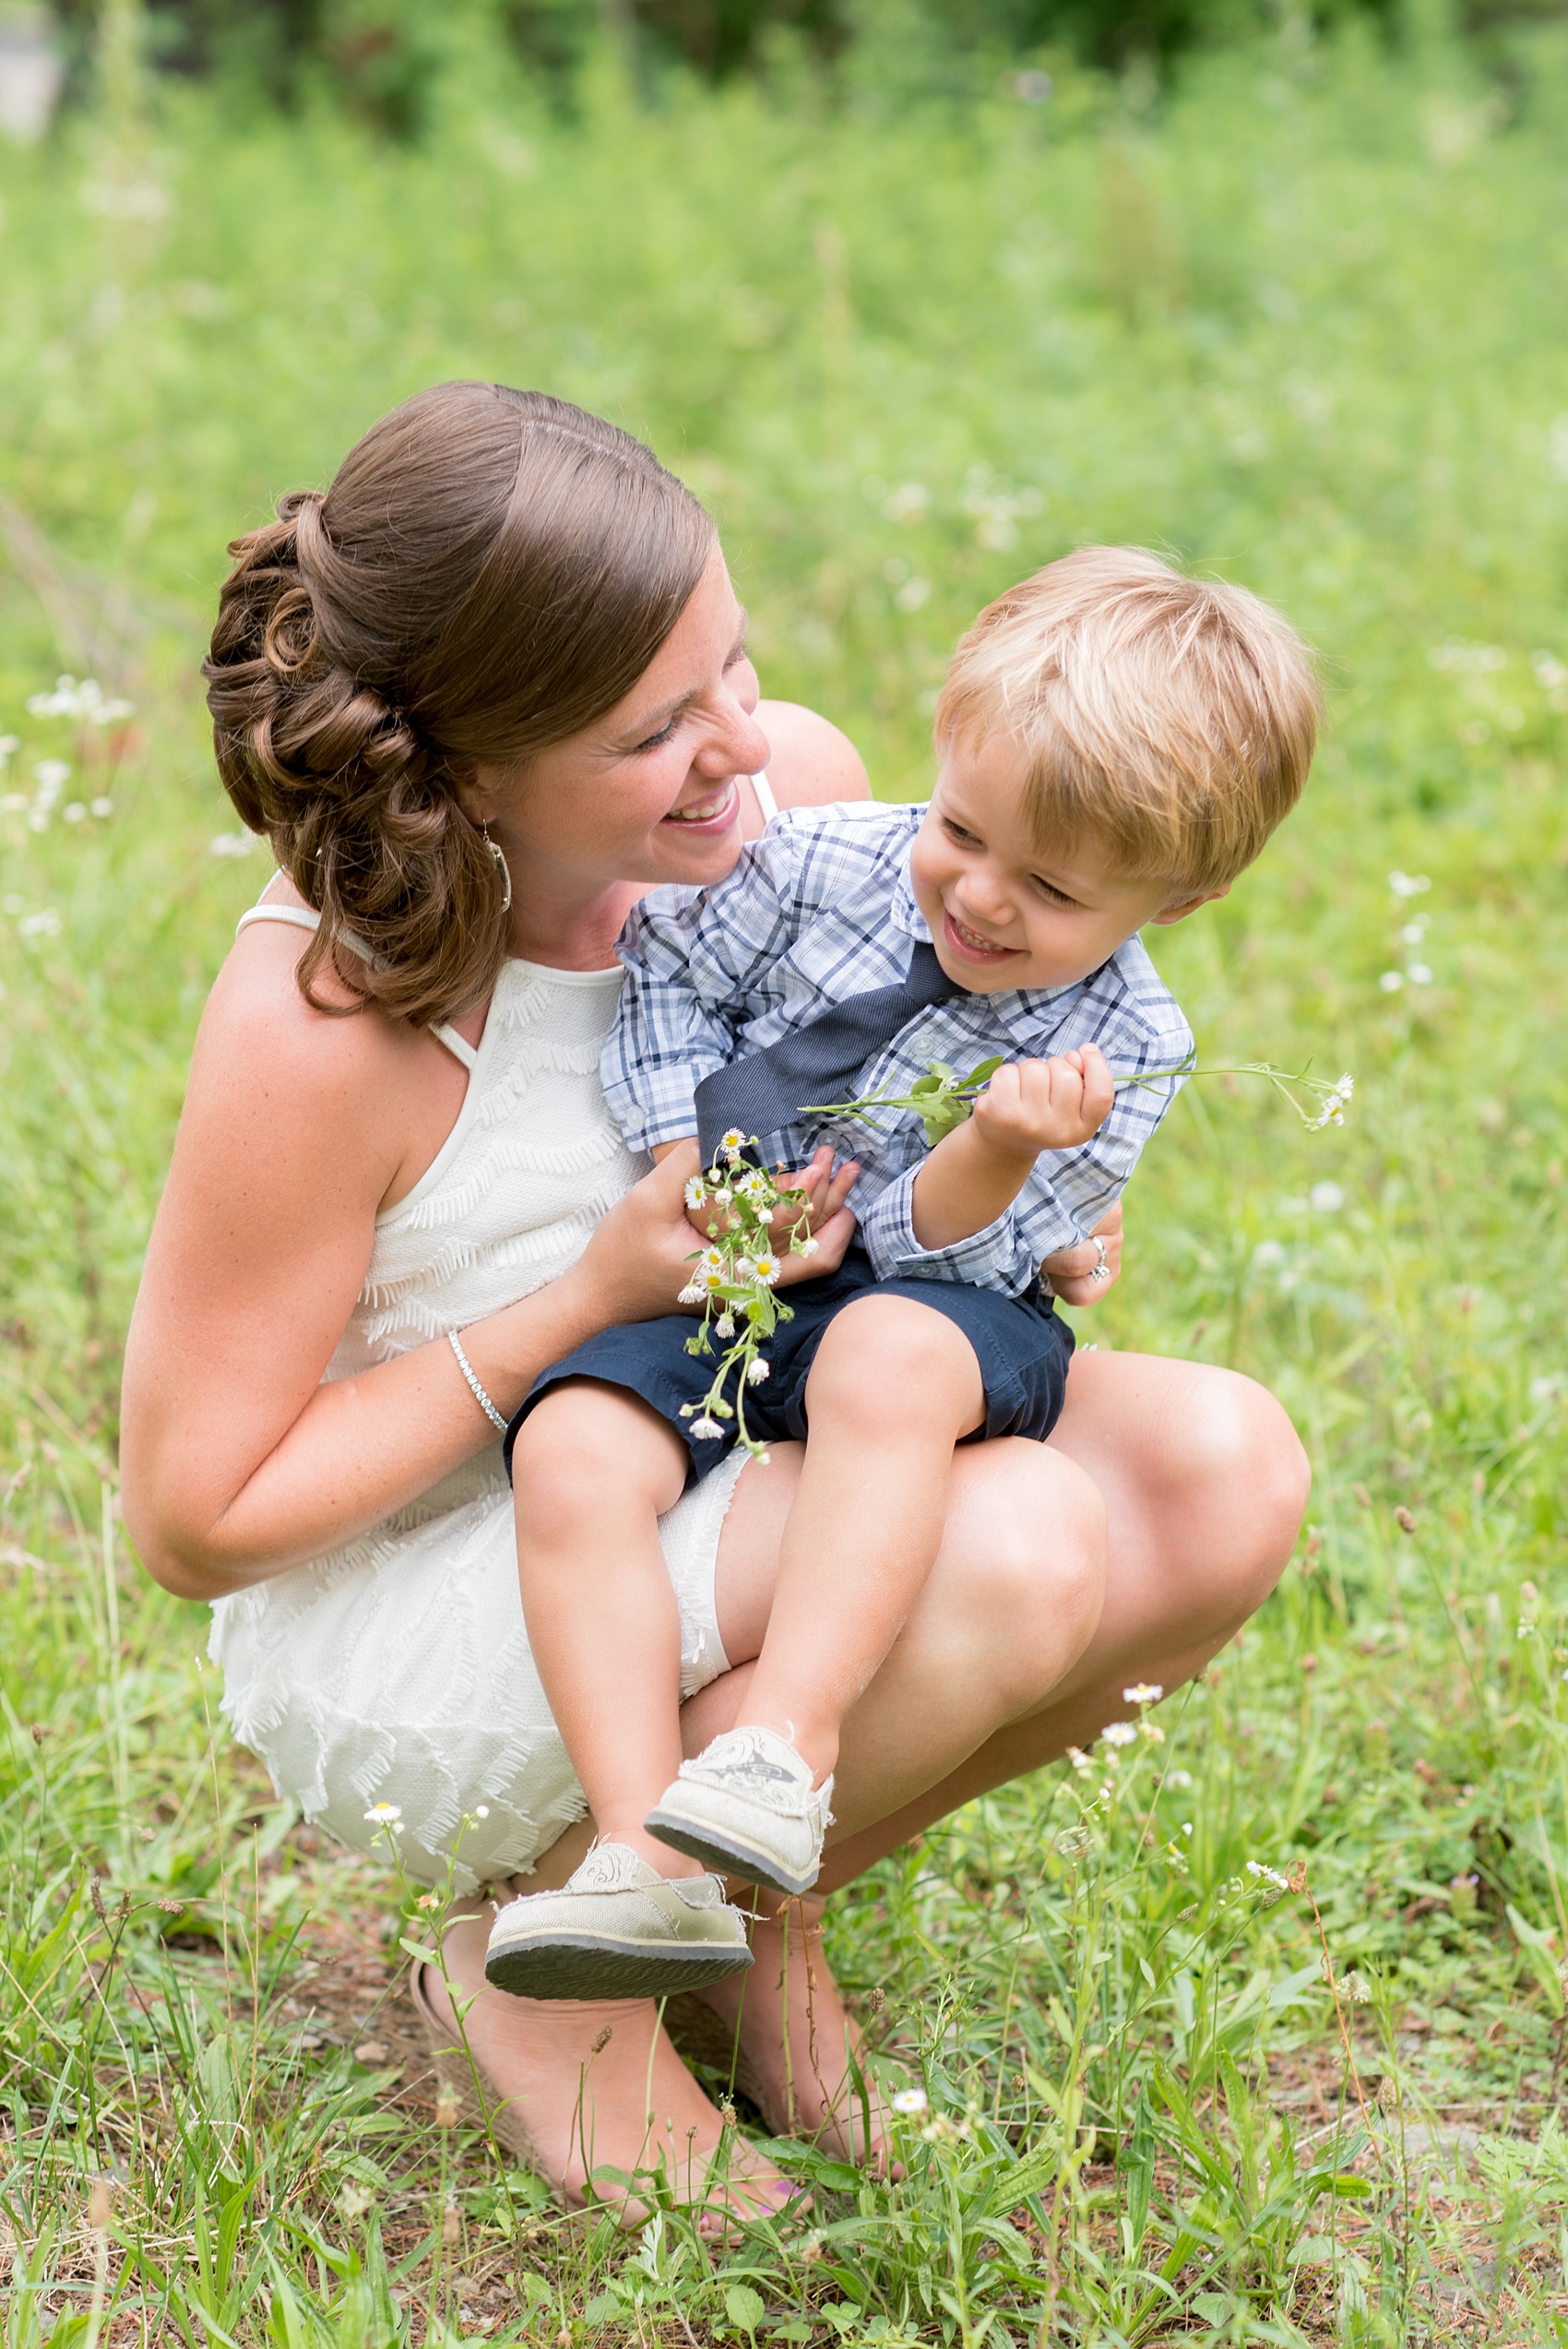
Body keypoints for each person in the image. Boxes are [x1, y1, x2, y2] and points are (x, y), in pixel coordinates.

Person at [120, 380, 1311, 2225]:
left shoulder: (796, 814)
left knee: (1225, 1466)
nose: (741, 747)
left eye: (731, 665)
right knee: (1011, 1545)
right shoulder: (329, 1020)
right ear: (466, 771)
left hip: (741, 1413)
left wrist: (1017, 1205)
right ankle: (554, 1995)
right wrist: (584, 1292)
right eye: (654, 728)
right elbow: (199, 1521)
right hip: (471, 1565)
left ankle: (732, 1910)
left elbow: (940, 1079)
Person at [486, 547, 1319, 2002]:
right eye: (963, 828)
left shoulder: (1129, 1041)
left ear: (1175, 899)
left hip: (942, 1315)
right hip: (754, 1264)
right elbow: (672, 965)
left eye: (1050, 887)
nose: (980, 896)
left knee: (888, 1351)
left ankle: (786, 1750)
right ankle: (641, 1856)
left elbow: (980, 1262)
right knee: (570, 1446)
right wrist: (699, 1162)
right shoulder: (826, 863)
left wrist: (998, 1149)